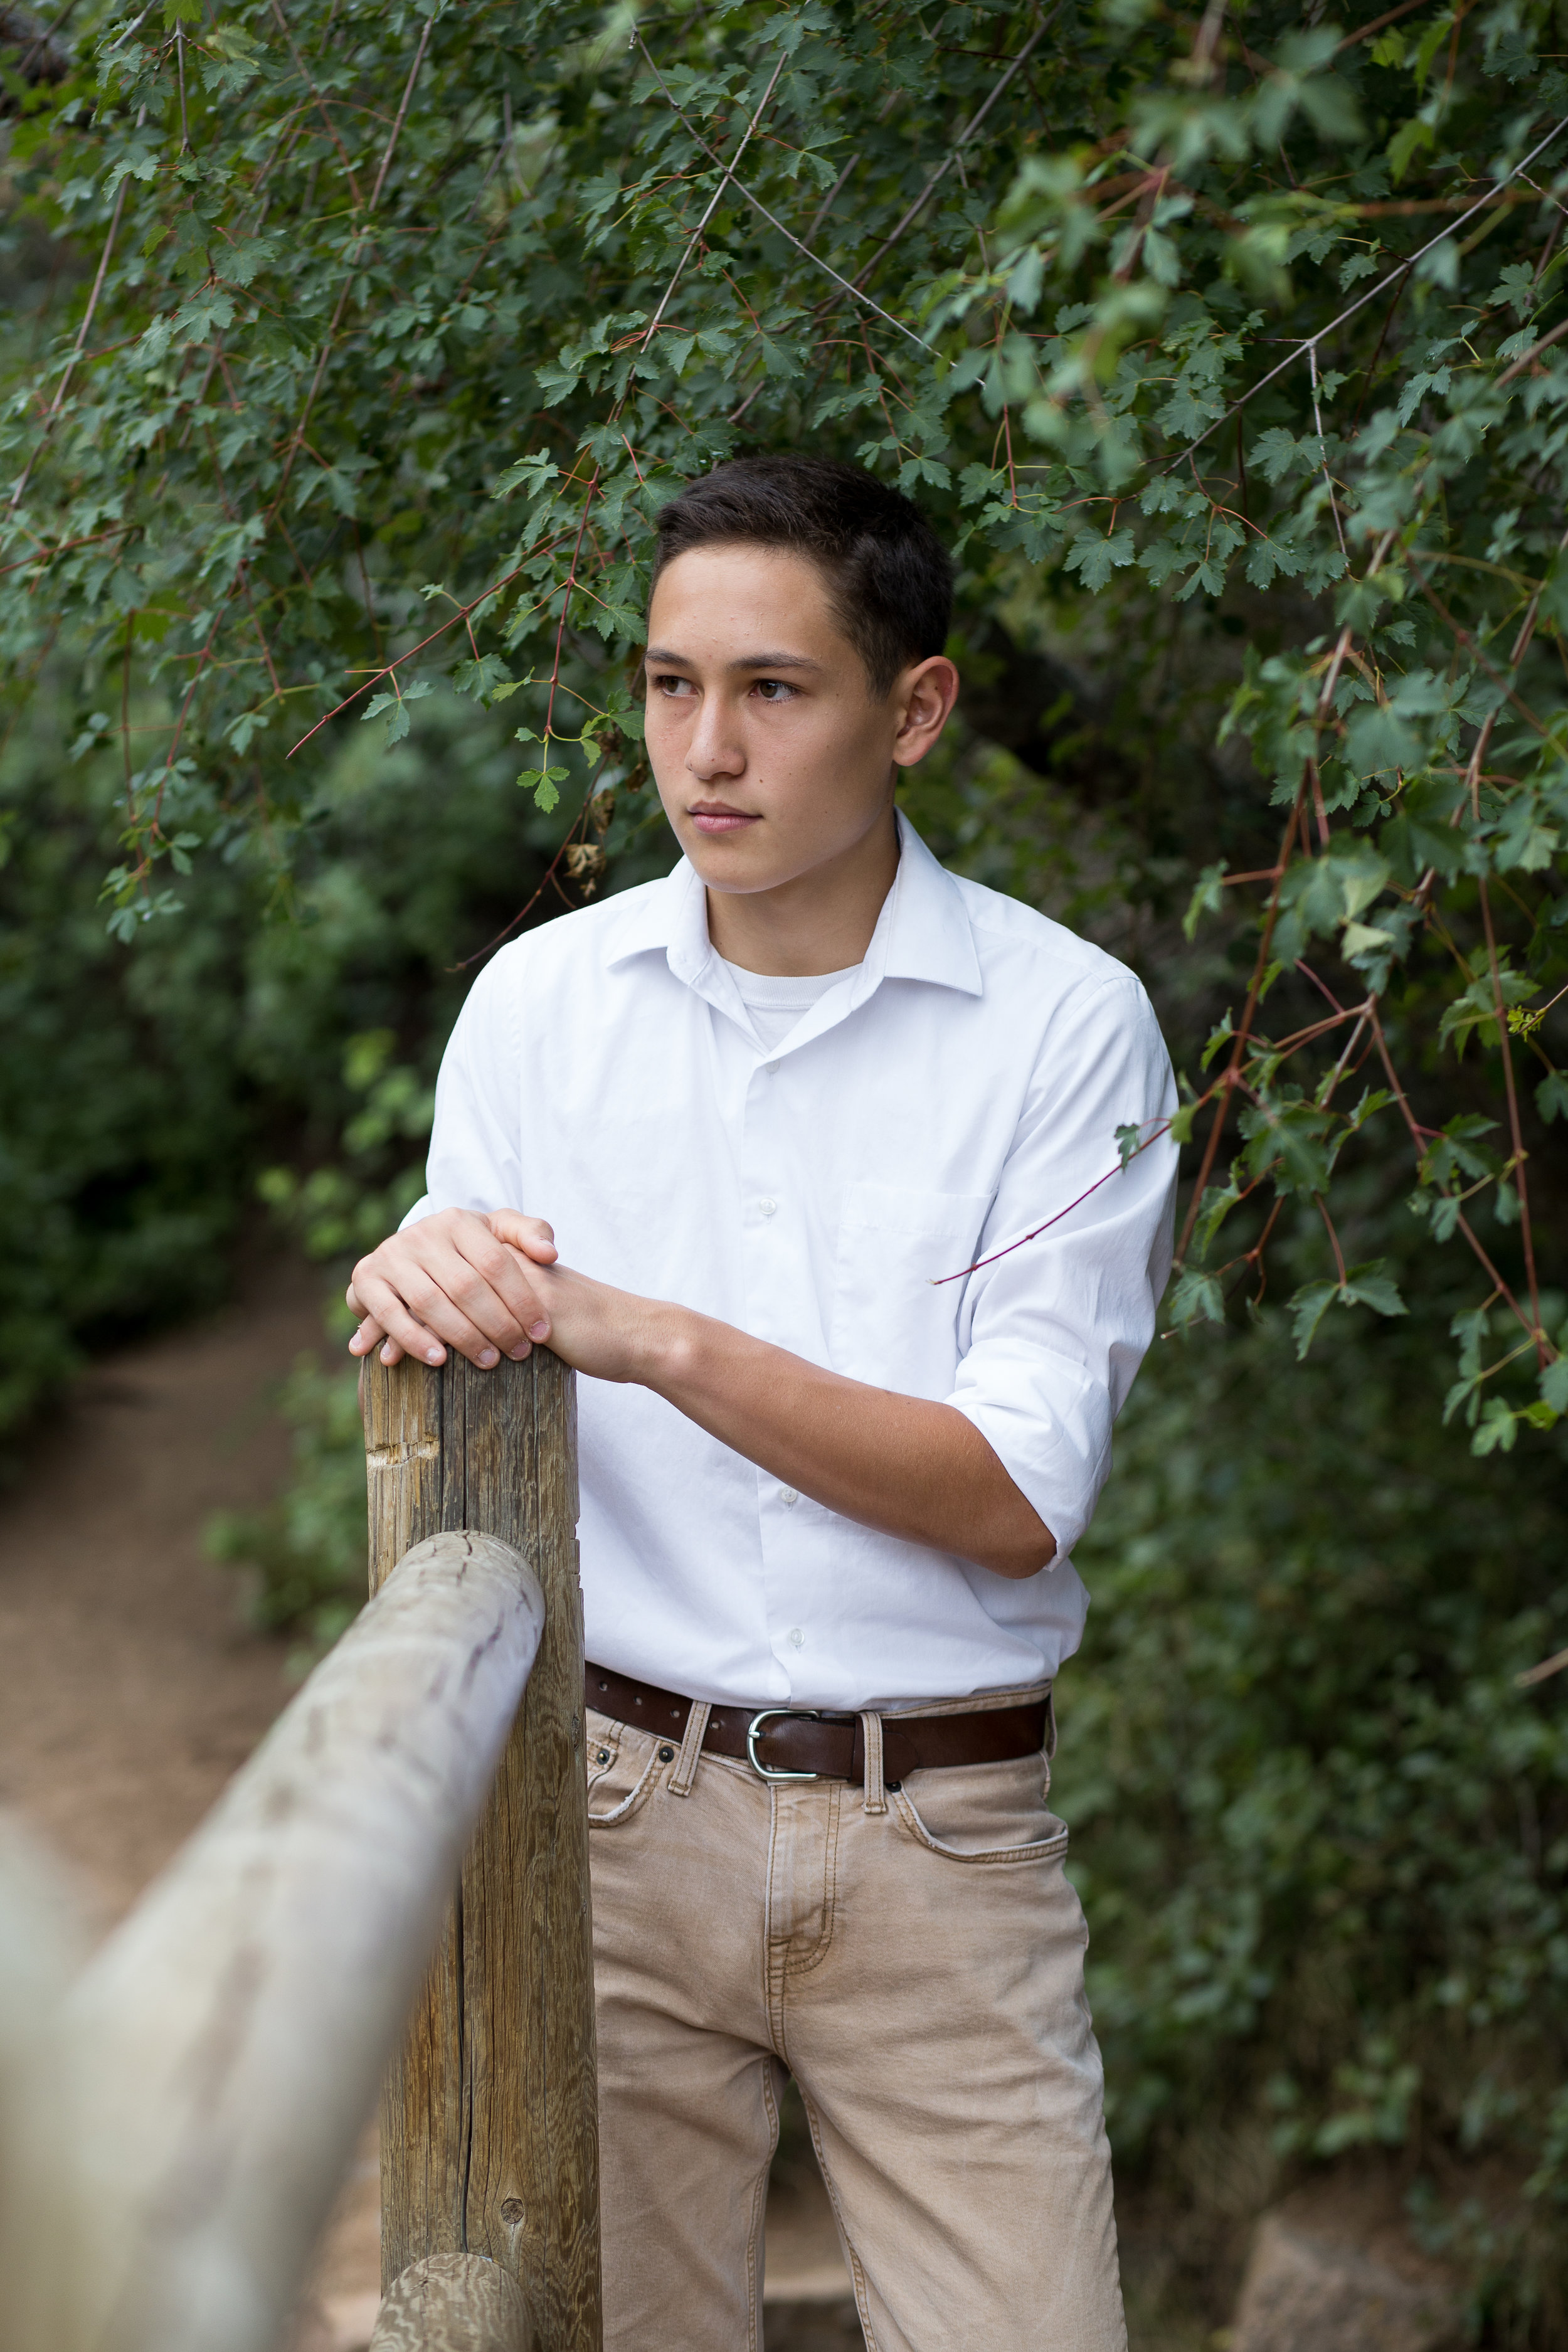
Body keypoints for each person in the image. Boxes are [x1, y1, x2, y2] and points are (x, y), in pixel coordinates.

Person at [346, 455, 1177, 2352]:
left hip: (941, 1841)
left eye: (773, 690)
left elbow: (1010, 1498)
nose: (705, 750)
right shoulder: (538, 1012)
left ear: (915, 710)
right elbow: (463, 1350)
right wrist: (416, 1284)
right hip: (607, 1825)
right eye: (669, 685)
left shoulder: (1064, 1026)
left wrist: (650, 1335)